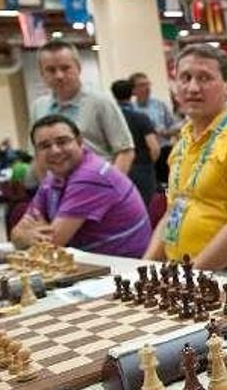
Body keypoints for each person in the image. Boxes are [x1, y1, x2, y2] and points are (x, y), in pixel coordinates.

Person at [143, 44, 227, 280]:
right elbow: (173, 213)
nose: (193, 87)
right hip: (184, 273)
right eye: (185, 78)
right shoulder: (184, 140)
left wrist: (191, 277)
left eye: (205, 78)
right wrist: (144, 269)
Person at [11, 115, 151, 257]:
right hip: (89, 264)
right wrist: (22, 235)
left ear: (79, 142)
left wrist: (29, 235)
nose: (55, 150)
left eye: (62, 142)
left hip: (124, 270)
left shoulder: (91, 175)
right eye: (45, 146)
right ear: (36, 153)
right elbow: (16, 233)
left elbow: (52, 243)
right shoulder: (52, 178)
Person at [31, 40, 134, 174]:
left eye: (65, 68)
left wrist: (111, 186)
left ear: (78, 68)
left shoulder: (101, 102)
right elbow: (38, 156)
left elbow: (125, 151)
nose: (59, 75)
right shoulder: (38, 107)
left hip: (97, 186)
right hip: (59, 190)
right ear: (42, 74)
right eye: (51, 70)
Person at [111, 79, 160, 205]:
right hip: (142, 169)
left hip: (117, 169)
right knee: (144, 208)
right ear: (132, 93)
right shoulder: (140, 117)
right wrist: (149, 164)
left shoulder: (110, 118)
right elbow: (154, 147)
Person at [130, 72, 180, 185]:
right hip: (144, 155)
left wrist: (165, 132)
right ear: (133, 90)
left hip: (164, 151)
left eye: (148, 84)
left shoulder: (160, 105)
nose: (147, 88)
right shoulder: (132, 110)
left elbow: (175, 126)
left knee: (169, 186)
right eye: (142, 85)